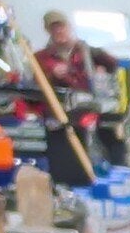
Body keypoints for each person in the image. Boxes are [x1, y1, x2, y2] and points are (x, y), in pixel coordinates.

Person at [30, 11, 112, 182]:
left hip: (89, 119)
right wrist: (52, 74)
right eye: (54, 28)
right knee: (63, 166)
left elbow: (114, 67)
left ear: (69, 27)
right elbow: (34, 86)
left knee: (92, 165)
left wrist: (102, 72)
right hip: (57, 120)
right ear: (48, 31)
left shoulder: (89, 51)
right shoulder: (41, 58)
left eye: (61, 26)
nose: (59, 31)